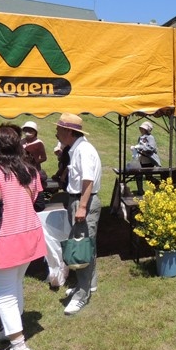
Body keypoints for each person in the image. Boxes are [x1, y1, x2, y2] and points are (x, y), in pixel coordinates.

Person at [0, 126, 46, 350]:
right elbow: (39, 202)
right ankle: (10, 329)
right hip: (29, 236)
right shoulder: (30, 170)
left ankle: (19, 348)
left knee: (5, 295)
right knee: (14, 286)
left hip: (8, 240)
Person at [55, 113, 102, 316]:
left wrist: (82, 206)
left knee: (81, 246)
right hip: (78, 199)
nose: (56, 132)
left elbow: (88, 181)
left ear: (68, 131)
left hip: (84, 199)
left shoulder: (83, 150)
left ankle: (82, 295)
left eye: (58, 129)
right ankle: (88, 284)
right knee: (86, 244)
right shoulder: (76, 149)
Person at [130, 121, 161, 195]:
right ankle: (140, 191)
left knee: (148, 177)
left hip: (148, 160)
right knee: (138, 175)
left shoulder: (151, 138)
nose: (141, 130)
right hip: (141, 159)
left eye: (143, 128)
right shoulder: (140, 137)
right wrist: (135, 148)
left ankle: (158, 185)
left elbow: (151, 148)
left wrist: (140, 147)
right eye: (141, 128)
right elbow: (139, 146)